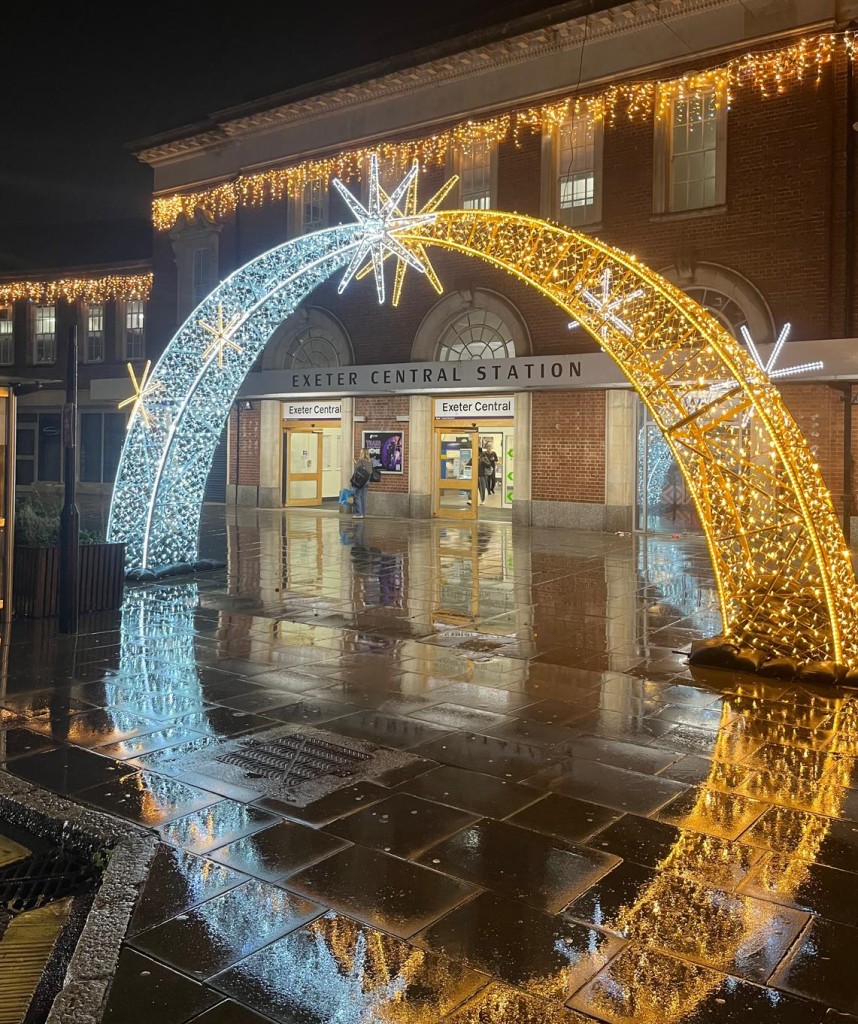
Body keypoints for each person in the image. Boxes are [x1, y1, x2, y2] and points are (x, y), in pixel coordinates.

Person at [351, 447, 374, 518]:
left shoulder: (361, 461)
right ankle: (363, 513)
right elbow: (370, 471)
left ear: (363, 453)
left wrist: (355, 463)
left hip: (360, 482)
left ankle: (359, 513)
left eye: (361, 452)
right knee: (363, 497)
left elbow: (356, 470)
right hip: (367, 482)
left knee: (357, 496)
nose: (360, 453)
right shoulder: (370, 461)